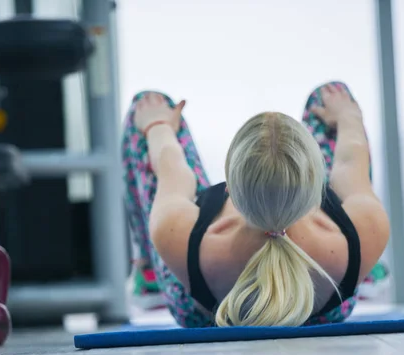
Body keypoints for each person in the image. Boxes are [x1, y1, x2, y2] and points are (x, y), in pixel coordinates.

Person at [122, 82, 390, 327]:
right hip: (321, 308)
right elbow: (352, 158)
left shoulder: (175, 231)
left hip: (213, 315)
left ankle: (149, 278)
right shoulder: (369, 229)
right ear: (317, 188)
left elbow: (170, 163)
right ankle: (363, 274)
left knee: (149, 104)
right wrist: (348, 116)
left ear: (229, 187)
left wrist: (156, 123)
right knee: (332, 94)